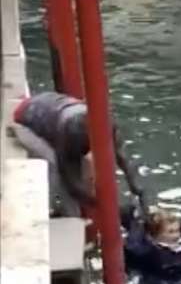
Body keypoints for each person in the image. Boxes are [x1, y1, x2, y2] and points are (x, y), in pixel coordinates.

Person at [11, 91, 142, 216]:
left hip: (49, 109)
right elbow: (70, 182)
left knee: (80, 169)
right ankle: (62, 212)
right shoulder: (71, 131)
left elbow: (123, 158)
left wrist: (136, 187)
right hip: (23, 122)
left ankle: (76, 211)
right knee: (55, 164)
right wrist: (105, 206)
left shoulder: (107, 126)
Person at [121, 204, 181, 284]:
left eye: (177, 230)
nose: (177, 235)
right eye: (170, 232)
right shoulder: (159, 256)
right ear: (157, 235)